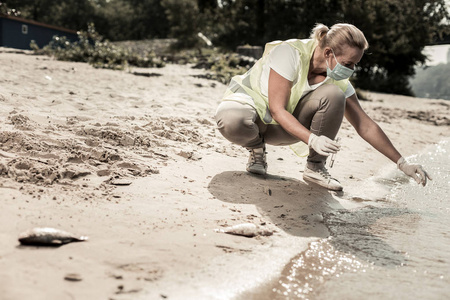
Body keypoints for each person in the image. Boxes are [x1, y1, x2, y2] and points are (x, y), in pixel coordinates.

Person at [214, 23, 431, 191]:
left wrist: (403, 164)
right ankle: (257, 150)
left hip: (286, 129)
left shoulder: (337, 78)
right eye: (348, 64)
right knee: (232, 120)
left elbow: (365, 125)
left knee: (335, 94)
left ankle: (315, 167)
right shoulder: (289, 53)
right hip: (255, 117)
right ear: (328, 53)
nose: (352, 70)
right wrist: (313, 139)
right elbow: (277, 109)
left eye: (355, 64)